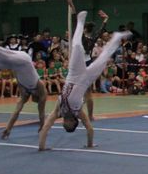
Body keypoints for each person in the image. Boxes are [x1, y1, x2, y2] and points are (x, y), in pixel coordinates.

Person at [38, 11, 131, 150]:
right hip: (86, 79)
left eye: (65, 126)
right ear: (74, 122)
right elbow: (89, 128)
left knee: (76, 47)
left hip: (74, 75)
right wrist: (90, 144)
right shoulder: (78, 112)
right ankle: (117, 38)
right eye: (68, 127)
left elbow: (46, 126)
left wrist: (41, 147)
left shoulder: (59, 111)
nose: (65, 126)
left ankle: (80, 21)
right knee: (103, 58)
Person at [0, 44, 47, 139]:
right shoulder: (41, 89)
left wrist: (8, 128)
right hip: (24, 60)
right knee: (4, 55)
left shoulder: (24, 93)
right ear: (37, 97)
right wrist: (43, 127)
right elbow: (41, 113)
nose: (33, 100)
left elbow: (17, 111)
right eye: (35, 100)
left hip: (15, 66)